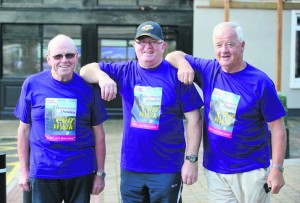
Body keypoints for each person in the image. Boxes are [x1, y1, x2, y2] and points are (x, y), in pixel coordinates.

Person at [80, 21, 204, 202]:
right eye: (142, 41)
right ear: (134, 46)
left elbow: (195, 120)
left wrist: (191, 160)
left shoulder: (176, 76)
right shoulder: (125, 71)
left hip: (167, 169)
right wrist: (102, 77)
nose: (147, 46)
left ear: (163, 46)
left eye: (153, 41)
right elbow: (85, 70)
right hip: (131, 167)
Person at [165, 21, 287, 203]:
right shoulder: (209, 70)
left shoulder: (260, 83)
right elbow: (173, 55)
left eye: (230, 44)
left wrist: (277, 169)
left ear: (242, 45)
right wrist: (184, 65)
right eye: (219, 45)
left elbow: (278, 130)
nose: (224, 50)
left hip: (251, 171)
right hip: (216, 171)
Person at [14, 34, 109, 203]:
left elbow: (99, 134)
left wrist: (100, 173)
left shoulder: (88, 88)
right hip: (43, 171)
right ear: (49, 59)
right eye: (58, 56)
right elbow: (24, 131)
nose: (64, 60)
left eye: (69, 55)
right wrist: (23, 171)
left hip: (80, 171)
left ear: (76, 57)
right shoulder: (32, 84)